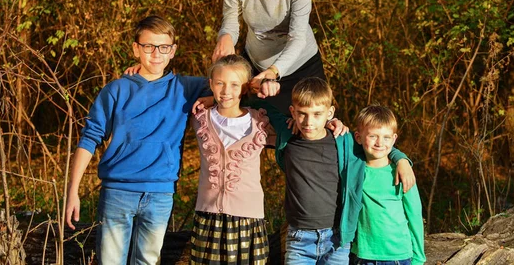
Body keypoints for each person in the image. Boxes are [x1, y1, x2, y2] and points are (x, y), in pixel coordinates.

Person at [64, 16, 211, 265]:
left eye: (163, 47)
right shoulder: (116, 90)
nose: (156, 53)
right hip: (117, 192)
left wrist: (209, 99)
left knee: (147, 261)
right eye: (148, 46)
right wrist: (72, 191)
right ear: (135, 49)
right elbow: (89, 139)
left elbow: (231, 85)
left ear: (173, 50)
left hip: (160, 193)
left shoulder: (186, 88)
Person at [275, 77, 416, 265]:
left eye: (317, 114)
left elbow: (375, 144)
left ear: (330, 112)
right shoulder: (288, 136)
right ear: (293, 112)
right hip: (300, 239)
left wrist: (401, 159)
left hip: (337, 239)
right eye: (302, 114)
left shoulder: (343, 141)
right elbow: (256, 105)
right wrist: (261, 83)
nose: (309, 122)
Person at [190, 54, 277, 264]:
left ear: (245, 87)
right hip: (208, 215)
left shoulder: (261, 122)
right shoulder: (199, 118)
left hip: (248, 218)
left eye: (234, 84)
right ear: (211, 84)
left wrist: (332, 121)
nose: (226, 91)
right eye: (220, 83)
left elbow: (300, 121)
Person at [351, 105, 426, 265]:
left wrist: (419, 257)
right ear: (358, 137)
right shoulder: (354, 170)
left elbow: (414, 214)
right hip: (364, 256)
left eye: (386, 137)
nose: (379, 142)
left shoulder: (402, 173)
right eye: (373, 136)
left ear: (394, 139)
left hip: (398, 256)